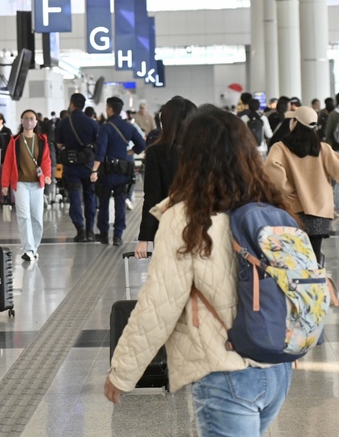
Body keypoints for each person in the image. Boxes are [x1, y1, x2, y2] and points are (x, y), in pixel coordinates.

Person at [105, 108, 295, 435]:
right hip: (277, 367)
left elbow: (158, 306)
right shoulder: (269, 206)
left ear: (191, 156)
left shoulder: (187, 218)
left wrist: (122, 373)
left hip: (226, 371)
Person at [265, 105, 339, 267]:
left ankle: (300, 285)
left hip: (292, 209)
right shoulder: (323, 149)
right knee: (314, 251)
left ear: (294, 123)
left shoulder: (280, 148)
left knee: (294, 253)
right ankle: (316, 279)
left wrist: (287, 190)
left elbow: (271, 172)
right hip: (320, 209)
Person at [136, 96, 197, 259]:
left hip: (169, 226)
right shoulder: (207, 150)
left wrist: (144, 238)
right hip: (204, 224)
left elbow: (152, 197)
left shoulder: (157, 153)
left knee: (171, 279)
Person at [92, 97, 146, 247]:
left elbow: (100, 151)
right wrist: (128, 152)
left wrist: (94, 169)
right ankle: (118, 235)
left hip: (107, 172)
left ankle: (104, 234)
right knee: (120, 203)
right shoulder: (128, 127)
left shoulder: (106, 127)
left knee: (103, 203)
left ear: (109, 109)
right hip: (123, 171)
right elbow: (142, 144)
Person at [0, 109, 51, 261]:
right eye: (26, 118)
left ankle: (34, 247)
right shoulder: (15, 140)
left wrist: (47, 176)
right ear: (21, 121)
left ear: (36, 122)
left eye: (32, 118)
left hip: (37, 184)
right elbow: (8, 163)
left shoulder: (42, 140)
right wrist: (4, 184)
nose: (29, 121)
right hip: (20, 183)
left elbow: (46, 160)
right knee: (24, 216)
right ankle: (28, 249)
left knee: (36, 217)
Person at [56, 93, 100, 242]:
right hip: (88, 164)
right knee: (90, 196)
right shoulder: (92, 123)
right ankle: (90, 231)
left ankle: (80, 230)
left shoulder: (64, 123)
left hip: (71, 165)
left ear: (72, 104)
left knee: (74, 197)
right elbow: (97, 143)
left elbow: (59, 144)